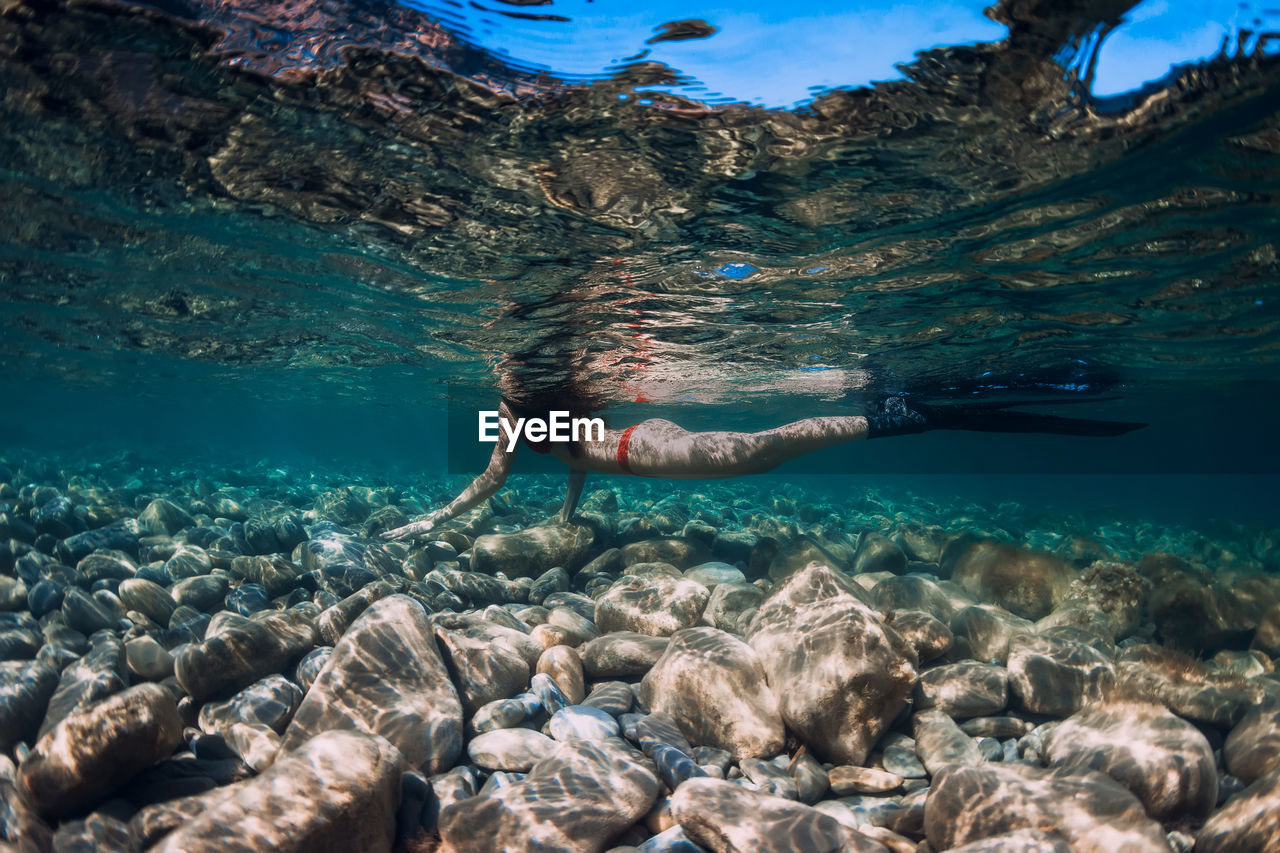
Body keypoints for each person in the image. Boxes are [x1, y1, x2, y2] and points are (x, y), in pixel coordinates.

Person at [381, 395, 1144, 540]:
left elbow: (491, 483)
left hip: (640, 449)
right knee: (750, 455)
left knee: (750, 454)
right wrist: (569, 512)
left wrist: (432, 518)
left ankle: (891, 416)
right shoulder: (533, 406)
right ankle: (898, 412)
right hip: (632, 446)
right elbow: (569, 447)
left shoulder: (521, 412)